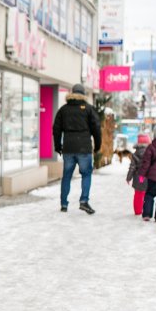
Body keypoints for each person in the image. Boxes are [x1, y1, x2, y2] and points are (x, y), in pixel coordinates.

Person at [53, 83, 102, 214]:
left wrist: (58, 146)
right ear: (83, 94)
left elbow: (56, 129)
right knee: (86, 174)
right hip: (84, 148)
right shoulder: (88, 109)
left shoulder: (63, 110)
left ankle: (63, 204)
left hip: (68, 148)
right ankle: (84, 201)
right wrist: (97, 146)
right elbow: (96, 128)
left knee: (67, 176)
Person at [126, 133, 150, 215]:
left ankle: (137, 211)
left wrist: (128, 178)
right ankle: (147, 211)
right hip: (148, 177)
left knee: (138, 195)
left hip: (138, 177)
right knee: (147, 195)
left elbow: (132, 167)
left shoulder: (135, 154)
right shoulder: (151, 153)